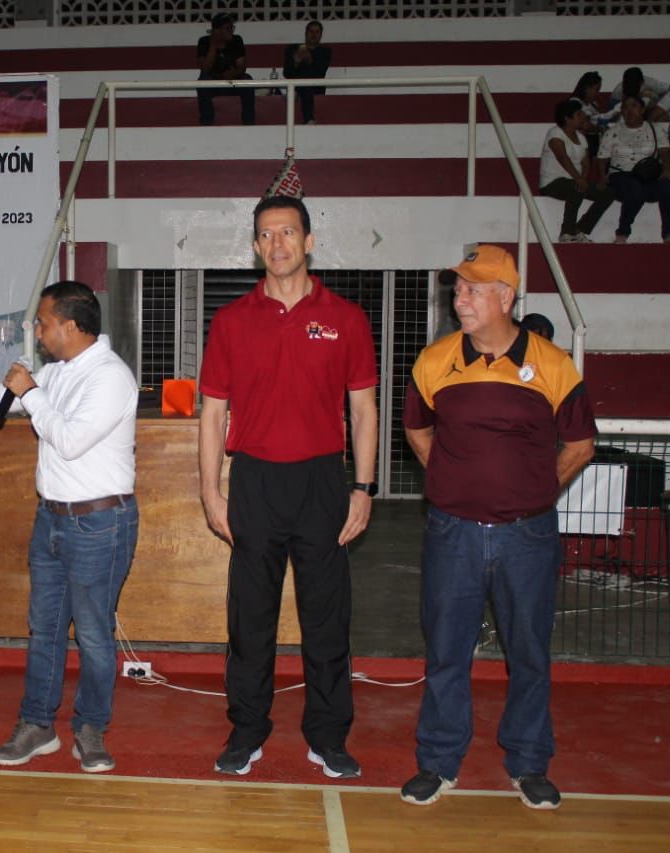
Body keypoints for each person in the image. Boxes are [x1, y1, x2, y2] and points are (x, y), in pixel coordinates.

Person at [400, 245, 596, 810]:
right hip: (452, 533)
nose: (459, 299)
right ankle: (438, 762)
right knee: (446, 650)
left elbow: (581, 444)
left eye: (472, 290)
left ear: (506, 297)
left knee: (529, 652)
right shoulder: (435, 361)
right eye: (458, 289)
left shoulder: (553, 364)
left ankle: (529, 762)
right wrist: (453, 481)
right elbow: (416, 430)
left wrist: (534, 491)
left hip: (527, 536)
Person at [199, 195, 378, 778]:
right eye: (266, 234)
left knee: (327, 619)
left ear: (309, 241)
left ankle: (328, 736)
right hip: (254, 480)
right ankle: (246, 730)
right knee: (250, 619)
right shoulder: (231, 321)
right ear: (256, 246)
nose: (277, 244)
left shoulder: (347, 318)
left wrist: (363, 488)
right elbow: (213, 414)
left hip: (322, 482)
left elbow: (364, 410)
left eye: (288, 232)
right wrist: (211, 491)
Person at [0, 280, 139, 774]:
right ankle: (37, 724)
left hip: (99, 524)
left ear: (70, 325)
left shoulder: (110, 377)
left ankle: (90, 729)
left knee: (93, 634)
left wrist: (31, 391)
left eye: (43, 324)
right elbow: (0, 397)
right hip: (51, 519)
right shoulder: (60, 371)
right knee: (44, 629)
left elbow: (68, 440)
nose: (38, 334)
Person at [596, 95, 670, 244]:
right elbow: (602, 158)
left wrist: (667, 169)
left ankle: (669, 233)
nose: (629, 111)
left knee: (668, 188)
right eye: (625, 107)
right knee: (634, 188)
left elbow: (665, 151)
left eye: (634, 106)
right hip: (621, 176)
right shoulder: (612, 132)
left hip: (646, 176)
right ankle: (622, 233)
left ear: (642, 109)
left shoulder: (656, 130)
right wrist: (603, 177)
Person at [539, 99, 614, 243]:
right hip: (552, 182)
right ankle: (566, 232)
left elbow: (586, 162)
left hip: (576, 180)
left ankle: (579, 229)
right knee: (576, 187)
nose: (582, 117)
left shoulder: (581, 137)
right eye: (579, 114)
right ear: (567, 118)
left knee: (607, 193)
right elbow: (563, 158)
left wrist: (583, 179)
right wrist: (579, 179)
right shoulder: (555, 133)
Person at [196, 13, 256, 126]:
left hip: (232, 82)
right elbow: (205, 68)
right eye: (227, 28)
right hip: (213, 83)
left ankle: (249, 122)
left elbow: (242, 66)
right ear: (217, 30)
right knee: (202, 81)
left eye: (232, 27)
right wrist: (213, 45)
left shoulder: (237, 40)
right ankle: (206, 123)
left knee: (247, 79)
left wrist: (234, 73)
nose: (231, 31)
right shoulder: (204, 42)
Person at [283, 20, 332, 126]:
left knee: (306, 83)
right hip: (295, 84)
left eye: (317, 32)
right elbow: (286, 73)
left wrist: (309, 60)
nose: (314, 35)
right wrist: (296, 62)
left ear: (321, 35)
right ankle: (296, 92)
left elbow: (320, 73)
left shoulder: (325, 52)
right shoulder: (292, 49)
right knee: (302, 83)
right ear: (306, 33)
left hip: (315, 87)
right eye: (311, 31)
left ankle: (308, 117)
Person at [567, 71, 616, 157]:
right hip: (581, 143)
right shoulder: (574, 103)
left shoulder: (593, 104)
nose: (598, 93)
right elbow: (585, 125)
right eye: (596, 90)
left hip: (594, 142)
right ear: (586, 88)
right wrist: (601, 128)